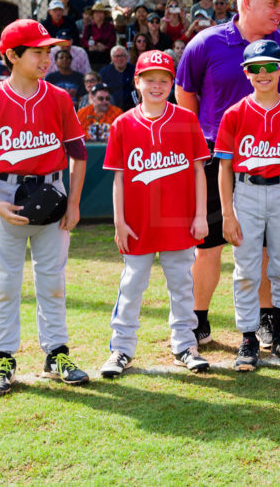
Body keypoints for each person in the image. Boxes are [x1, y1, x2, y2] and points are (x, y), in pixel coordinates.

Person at [175, 0, 280, 348]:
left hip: (268, 164)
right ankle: (197, 319)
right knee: (209, 243)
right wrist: (205, 142)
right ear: (245, 2)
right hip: (217, 161)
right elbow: (186, 100)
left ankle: (267, 322)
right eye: (272, 3)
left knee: (266, 246)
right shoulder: (205, 43)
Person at [0, 19, 88, 396]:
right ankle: (3, 357)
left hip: (52, 194)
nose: (46, 57)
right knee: (5, 284)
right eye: (37, 51)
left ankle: (57, 353)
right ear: (12, 56)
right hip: (7, 196)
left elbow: (78, 155)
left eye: (48, 50)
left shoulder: (59, 98)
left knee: (52, 282)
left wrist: (75, 204)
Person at [99, 50, 211, 378]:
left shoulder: (186, 120)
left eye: (164, 80)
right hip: (137, 221)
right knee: (132, 284)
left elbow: (198, 172)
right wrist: (119, 220)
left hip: (179, 219)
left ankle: (185, 344)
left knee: (181, 283)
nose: (157, 86)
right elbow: (119, 177)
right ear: (137, 82)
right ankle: (121, 348)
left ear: (172, 83)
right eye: (150, 80)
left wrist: (201, 215)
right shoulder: (122, 124)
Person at [214, 39, 280, 367]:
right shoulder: (235, 114)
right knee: (246, 269)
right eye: (255, 68)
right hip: (246, 193)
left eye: (270, 66)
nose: (263, 73)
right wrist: (227, 212)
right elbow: (225, 167)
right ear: (246, 73)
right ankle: (248, 337)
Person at [99, 45, 135, 111]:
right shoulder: (104, 72)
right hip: (111, 107)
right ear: (111, 59)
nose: (120, 59)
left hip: (132, 107)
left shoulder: (134, 70)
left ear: (127, 57)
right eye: (117, 56)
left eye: (122, 56)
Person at [82, 3, 116, 67]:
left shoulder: (110, 27)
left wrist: (105, 47)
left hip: (106, 54)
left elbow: (113, 41)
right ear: (93, 14)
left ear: (104, 14)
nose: (98, 14)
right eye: (96, 12)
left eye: (100, 12)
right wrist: (91, 46)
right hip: (91, 54)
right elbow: (84, 40)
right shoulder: (88, 27)